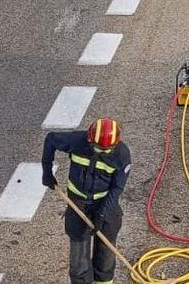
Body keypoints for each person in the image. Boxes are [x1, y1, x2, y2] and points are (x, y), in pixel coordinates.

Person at [43, 118, 131, 284]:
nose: (100, 152)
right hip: (79, 204)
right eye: (96, 148)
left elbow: (117, 188)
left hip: (106, 203)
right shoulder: (77, 142)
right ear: (90, 139)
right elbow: (50, 139)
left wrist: (102, 213)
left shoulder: (121, 155)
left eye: (105, 150)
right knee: (78, 256)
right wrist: (46, 171)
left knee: (106, 253)